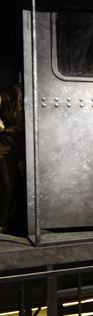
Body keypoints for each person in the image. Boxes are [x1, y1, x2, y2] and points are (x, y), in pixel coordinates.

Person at [0, 84, 23, 233]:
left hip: (22, 147)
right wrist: (4, 129)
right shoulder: (6, 94)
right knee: (9, 185)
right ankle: (2, 222)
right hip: (5, 146)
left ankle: (12, 221)